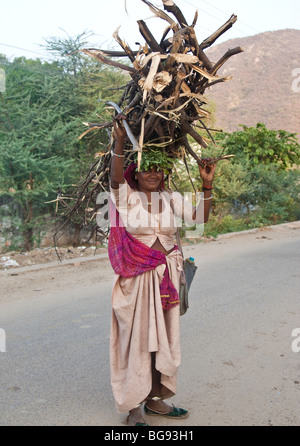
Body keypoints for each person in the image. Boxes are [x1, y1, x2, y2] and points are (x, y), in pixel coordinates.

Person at [108, 117, 216, 426]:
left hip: (167, 277)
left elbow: (200, 218)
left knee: (163, 340)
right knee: (136, 341)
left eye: (157, 168)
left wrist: (207, 185)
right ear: (137, 172)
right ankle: (133, 407)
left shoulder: (171, 199)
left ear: (164, 172)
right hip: (136, 280)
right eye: (146, 167)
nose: (152, 173)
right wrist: (119, 143)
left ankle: (155, 400)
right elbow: (115, 180)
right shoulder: (125, 198)